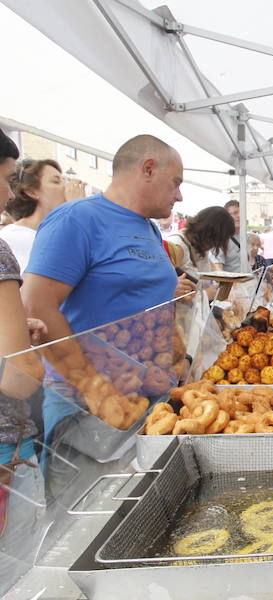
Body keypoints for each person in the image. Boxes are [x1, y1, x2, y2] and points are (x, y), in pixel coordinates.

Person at [22, 134, 195, 446]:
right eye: (175, 182)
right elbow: (36, 307)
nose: (179, 196)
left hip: (148, 397)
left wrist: (176, 356)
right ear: (148, 169)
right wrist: (94, 389)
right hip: (85, 404)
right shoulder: (76, 219)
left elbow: (153, 302)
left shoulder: (149, 228)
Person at [0, 128, 47, 595]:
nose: (8, 192)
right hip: (5, 452)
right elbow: (18, 376)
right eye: (7, 177)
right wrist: (31, 356)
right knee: (17, 577)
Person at [1, 158, 67, 272]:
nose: (66, 187)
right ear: (32, 192)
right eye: (56, 182)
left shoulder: (50, 232)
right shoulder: (14, 236)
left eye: (64, 181)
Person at [164, 206, 235, 282]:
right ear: (209, 233)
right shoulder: (178, 246)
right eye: (216, 241)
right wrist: (207, 292)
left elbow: (212, 271)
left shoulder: (200, 245)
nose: (213, 246)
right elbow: (173, 286)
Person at [209, 199, 243, 272]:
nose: (239, 216)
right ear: (226, 217)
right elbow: (218, 268)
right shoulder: (220, 239)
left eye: (241, 212)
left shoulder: (247, 236)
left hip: (247, 282)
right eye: (234, 213)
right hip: (232, 282)